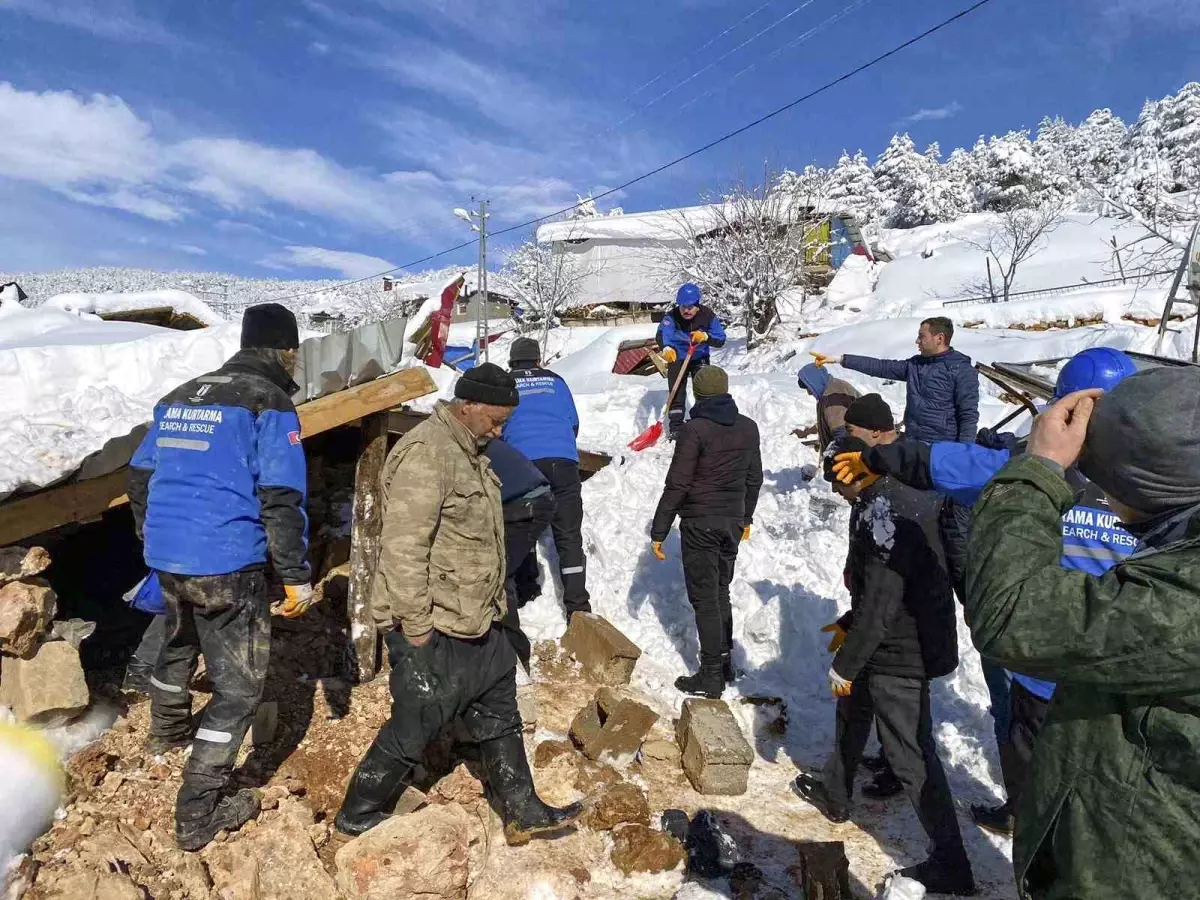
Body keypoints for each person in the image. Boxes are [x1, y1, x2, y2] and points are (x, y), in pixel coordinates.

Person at [832, 346, 1140, 837]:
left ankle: (1032, 828)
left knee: (1042, 779)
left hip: (1043, 664)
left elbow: (949, 464)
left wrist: (878, 456)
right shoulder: (1168, 478)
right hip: (1127, 675)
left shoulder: (1030, 469)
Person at [962, 366, 1200, 899]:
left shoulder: (1187, 599)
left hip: (1142, 876)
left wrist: (1039, 468)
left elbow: (1011, 614)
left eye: (1103, 480)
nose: (1096, 493)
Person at [335, 364, 581, 845]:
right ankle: (357, 813)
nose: (500, 429)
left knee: (500, 711)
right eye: (494, 418)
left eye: (506, 421)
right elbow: (404, 548)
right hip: (436, 621)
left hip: (478, 616)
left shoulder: (473, 451)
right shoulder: (427, 455)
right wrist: (416, 627)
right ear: (465, 405)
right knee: (418, 719)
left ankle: (522, 808)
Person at [127, 303, 315, 852]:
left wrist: (152, 532)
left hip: (169, 555)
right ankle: (198, 811)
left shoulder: (181, 396)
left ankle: (165, 733)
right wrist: (295, 575)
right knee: (238, 690)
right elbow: (282, 496)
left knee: (178, 641)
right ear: (286, 350)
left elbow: (140, 472)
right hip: (227, 560)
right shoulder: (269, 402)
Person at [795, 435, 974, 896]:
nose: (835, 492)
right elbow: (880, 592)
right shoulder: (882, 501)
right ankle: (836, 794)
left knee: (910, 755)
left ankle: (952, 864)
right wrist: (850, 624)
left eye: (837, 482)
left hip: (902, 652)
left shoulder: (886, 516)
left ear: (853, 473)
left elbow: (882, 602)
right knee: (852, 711)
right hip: (884, 639)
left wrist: (847, 663)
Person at [811, 317, 979, 605]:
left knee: (949, 520)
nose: (917, 340)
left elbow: (968, 415)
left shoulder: (961, 371)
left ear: (940, 339)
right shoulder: (915, 366)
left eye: (922, 336)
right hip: (914, 449)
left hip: (944, 454)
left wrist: (964, 456)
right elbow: (881, 366)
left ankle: (955, 581)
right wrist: (840, 359)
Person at [650, 366, 763, 699]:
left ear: (697, 395)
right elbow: (754, 479)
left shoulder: (694, 430)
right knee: (721, 592)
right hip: (731, 522)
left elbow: (679, 483)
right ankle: (725, 662)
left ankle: (711, 675)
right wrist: (745, 517)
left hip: (700, 522)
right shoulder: (748, 428)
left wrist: (659, 528)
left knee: (705, 600)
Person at [503, 337, 591, 616]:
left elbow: (496, 427)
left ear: (512, 362)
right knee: (568, 536)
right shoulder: (557, 381)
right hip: (563, 462)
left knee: (521, 527)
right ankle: (578, 607)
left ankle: (526, 591)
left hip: (522, 465)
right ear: (538, 360)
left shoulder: (506, 384)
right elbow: (573, 423)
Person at [482, 437, 556, 671]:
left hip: (525, 505)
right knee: (504, 568)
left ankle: (514, 653)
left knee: (496, 576)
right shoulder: (474, 440)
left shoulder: (465, 447)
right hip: (527, 500)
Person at [656, 283, 727, 440]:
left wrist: (706, 337)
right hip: (677, 356)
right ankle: (676, 428)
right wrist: (667, 348)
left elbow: (721, 339)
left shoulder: (707, 316)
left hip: (699, 356)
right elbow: (662, 334)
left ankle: (704, 422)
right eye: (683, 307)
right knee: (676, 391)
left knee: (705, 390)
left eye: (690, 307)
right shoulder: (671, 317)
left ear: (697, 305)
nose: (686, 311)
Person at [796, 362, 859, 451]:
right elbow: (831, 420)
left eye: (809, 388)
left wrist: (834, 458)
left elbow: (842, 435)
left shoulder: (833, 398)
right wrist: (808, 432)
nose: (809, 393)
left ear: (815, 381)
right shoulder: (832, 386)